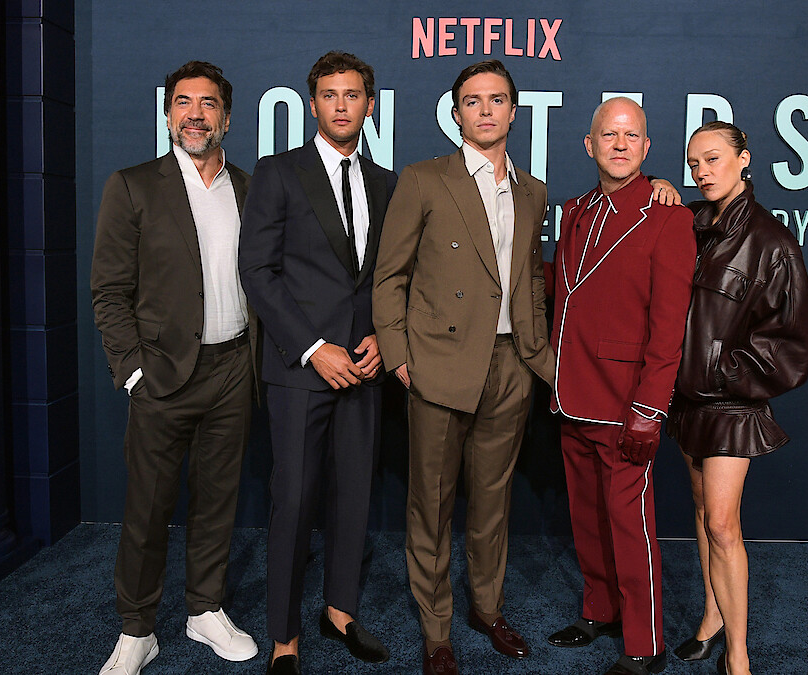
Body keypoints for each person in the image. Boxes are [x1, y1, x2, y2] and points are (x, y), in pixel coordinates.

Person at [372, 59, 555, 675]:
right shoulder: (424, 179)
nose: (485, 110)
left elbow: (531, 280)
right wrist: (399, 356)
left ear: (513, 111)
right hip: (439, 365)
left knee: (493, 502)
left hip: (510, 366)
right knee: (431, 505)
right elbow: (390, 276)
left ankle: (487, 608)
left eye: (496, 99)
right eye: (473, 101)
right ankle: (436, 631)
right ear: (456, 114)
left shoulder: (532, 191)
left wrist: (535, 354)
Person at [91, 61, 259, 674]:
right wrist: (134, 371)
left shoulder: (249, 188)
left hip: (234, 367)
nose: (195, 114)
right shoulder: (133, 185)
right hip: (163, 374)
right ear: (167, 115)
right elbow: (109, 290)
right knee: (147, 509)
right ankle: (137, 628)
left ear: (226, 118)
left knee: (218, 500)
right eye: (183, 102)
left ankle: (204, 609)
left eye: (208, 103)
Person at [239, 51, 397, 675]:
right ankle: (284, 637)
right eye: (329, 95)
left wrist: (383, 334)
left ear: (369, 105)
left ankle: (341, 610)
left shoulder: (386, 182)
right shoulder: (279, 172)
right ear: (312, 105)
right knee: (295, 500)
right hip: (300, 368)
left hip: (364, 366)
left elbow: (388, 275)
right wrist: (312, 347)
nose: (341, 105)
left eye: (352, 94)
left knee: (354, 495)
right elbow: (258, 270)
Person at [546, 97, 696, 675]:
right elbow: (566, 291)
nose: (619, 144)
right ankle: (600, 610)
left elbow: (669, 327)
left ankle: (644, 642)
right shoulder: (575, 211)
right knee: (587, 516)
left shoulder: (668, 218)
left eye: (631, 136)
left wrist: (649, 409)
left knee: (631, 526)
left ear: (646, 147)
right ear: (590, 145)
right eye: (609, 134)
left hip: (625, 400)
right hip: (572, 391)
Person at [668, 121, 808, 675]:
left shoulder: (772, 242)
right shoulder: (692, 226)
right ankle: (711, 618)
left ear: (744, 159)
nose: (702, 172)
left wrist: (720, 369)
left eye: (713, 159)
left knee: (724, 525)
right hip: (687, 399)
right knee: (703, 512)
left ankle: (738, 656)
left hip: (730, 401)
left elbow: (791, 345)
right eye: (694, 163)